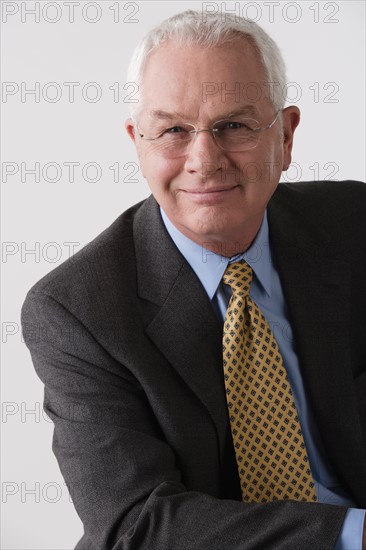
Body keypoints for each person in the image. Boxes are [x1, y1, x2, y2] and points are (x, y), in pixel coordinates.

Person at [21, 10, 365, 550]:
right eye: (174, 130)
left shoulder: (356, 227)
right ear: (138, 141)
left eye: (234, 126)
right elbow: (137, 525)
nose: (204, 160)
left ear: (287, 134)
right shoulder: (75, 309)